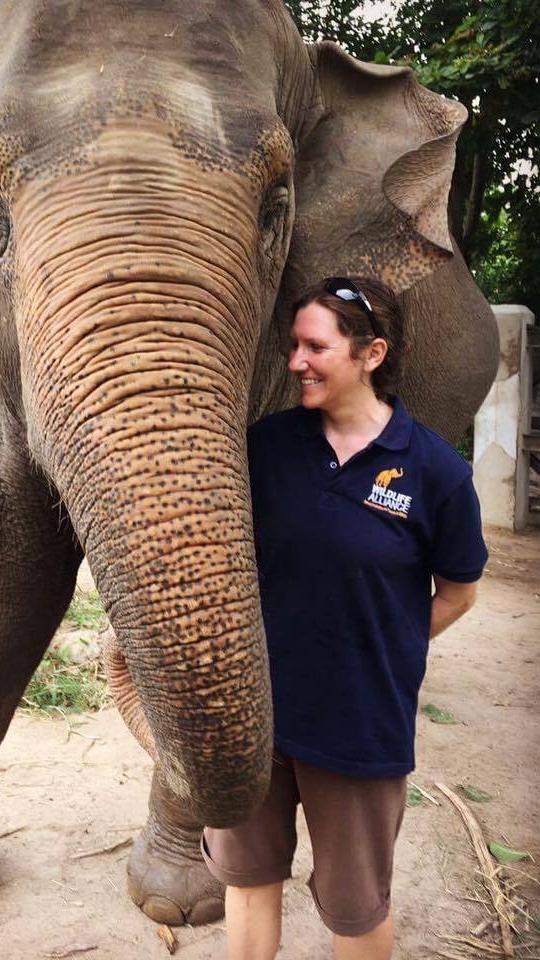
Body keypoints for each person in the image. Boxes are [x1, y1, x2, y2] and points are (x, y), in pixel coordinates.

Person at [201, 276, 488, 960]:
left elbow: (460, 590)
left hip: (359, 724)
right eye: (293, 345)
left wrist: (386, 647)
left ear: (371, 353)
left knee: (355, 906)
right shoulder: (267, 448)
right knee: (247, 878)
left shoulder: (436, 473)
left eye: (315, 346)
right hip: (256, 715)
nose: (296, 361)